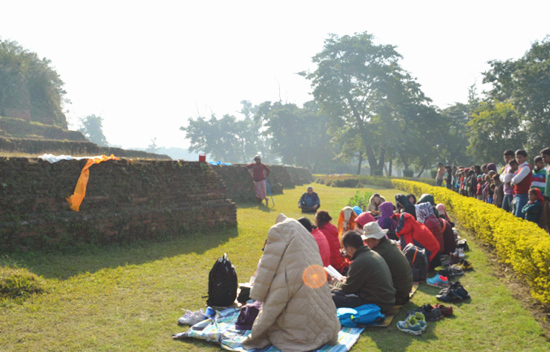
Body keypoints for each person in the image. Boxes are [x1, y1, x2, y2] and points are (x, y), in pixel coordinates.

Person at [242, 214, 340, 351]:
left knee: (276, 304)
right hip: (312, 282)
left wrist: (257, 293)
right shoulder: (305, 233)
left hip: (299, 334)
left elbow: (268, 264)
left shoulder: (278, 230)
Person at [330, 230, 396, 313]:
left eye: (344, 248)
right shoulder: (371, 254)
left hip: (378, 305)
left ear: (351, 249)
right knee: (334, 292)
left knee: (332, 297)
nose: (344, 251)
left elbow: (348, 289)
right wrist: (345, 280)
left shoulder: (359, 261)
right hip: (386, 300)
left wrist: (336, 282)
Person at [362, 222, 413, 305]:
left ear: (377, 238)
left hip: (397, 295)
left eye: (368, 240)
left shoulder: (380, 252)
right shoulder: (389, 244)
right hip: (404, 291)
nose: (366, 243)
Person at [511, 149, 533, 218]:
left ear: (525, 157)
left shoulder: (526, 167)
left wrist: (513, 180)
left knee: (519, 216)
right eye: (517, 158)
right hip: (518, 193)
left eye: (520, 157)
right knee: (516, 214)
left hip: (523, 194)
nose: (518, 159)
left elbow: (516, 180)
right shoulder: (521, 167)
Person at [540, 148, 550, 233]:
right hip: (547, 196)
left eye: (545, 157)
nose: (543, 159)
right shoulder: (548, 167)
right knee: (547, 219)